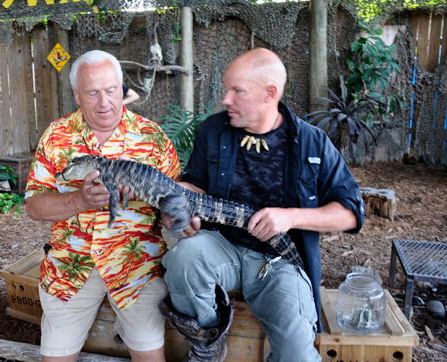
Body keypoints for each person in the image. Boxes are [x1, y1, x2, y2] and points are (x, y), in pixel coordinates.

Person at [158, 48, 365, 362]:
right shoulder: (214, 130)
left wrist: (289, 217)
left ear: (270, 93)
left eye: (237, 91)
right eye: (227, 89)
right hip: (221, 245)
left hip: (279, 260)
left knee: (298, 354)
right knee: (183, 257)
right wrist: (177, 205)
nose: (225, 99)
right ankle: (208, 341)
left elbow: (351, 213)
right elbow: (193, 184)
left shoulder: (311, 141)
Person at [25, 50, 180, 362]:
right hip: (71, 265)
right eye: (92, 93)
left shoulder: (152, 137)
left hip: (136, 264)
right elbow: (34, 206)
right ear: (76, 94)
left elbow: (173, 204)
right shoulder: (57, 136)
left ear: (122, 88)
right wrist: (80, 199)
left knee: (150, 354)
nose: (105, 103)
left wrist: (174, 215)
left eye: (112, 91)